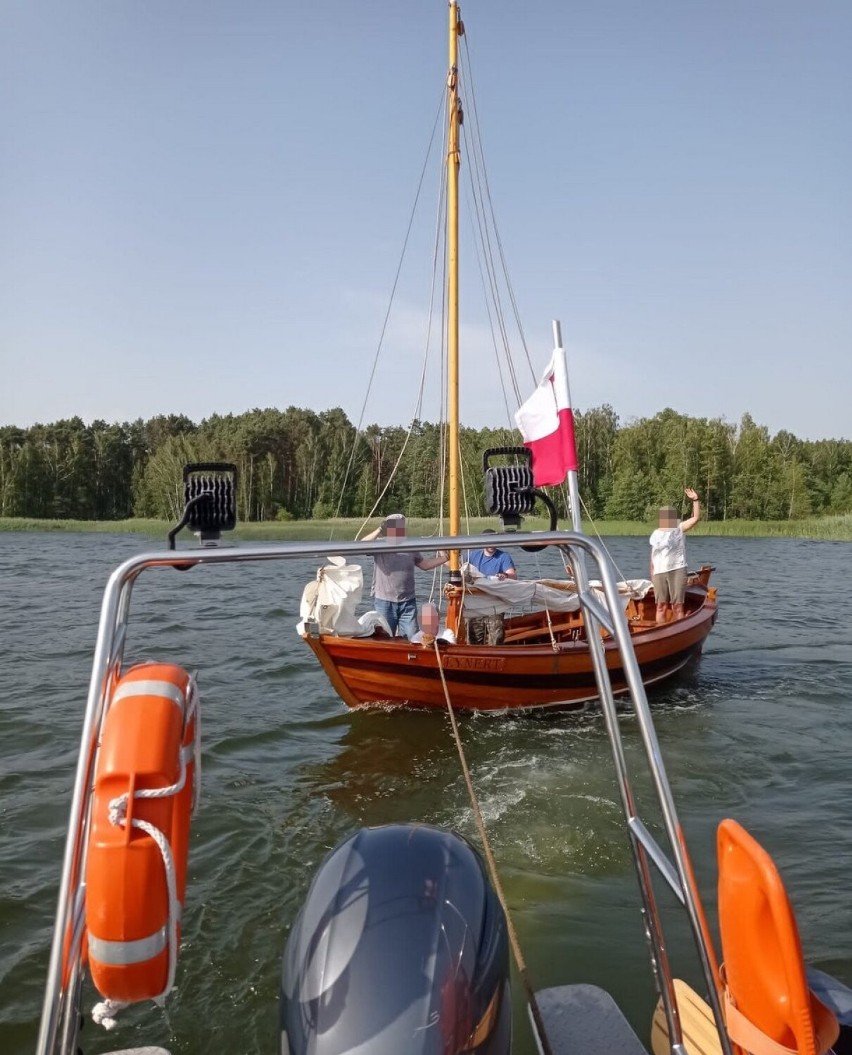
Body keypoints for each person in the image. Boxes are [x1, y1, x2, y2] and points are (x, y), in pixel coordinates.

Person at [362, 514, 449, 639]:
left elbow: (425, 565)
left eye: (401, 525)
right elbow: (361, 545)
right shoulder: (380, 545)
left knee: (412, 637)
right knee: (385, 638)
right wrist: (380, 529)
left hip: (408, 602)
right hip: (384, 601)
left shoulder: (409, 546)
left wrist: (446, 558)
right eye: (394, 525)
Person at [649, 488, 700, 624]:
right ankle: (660, 633)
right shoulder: (656, 534)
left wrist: (695, 500)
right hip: (659, 572)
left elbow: (695, 518)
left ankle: (680, 631)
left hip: (677, 569)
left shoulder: (680, 528)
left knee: (677, 606)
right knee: (661, 606)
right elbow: (653, 554)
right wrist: (652, 572)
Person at [465, 529, 516, 645]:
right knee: (474, 636)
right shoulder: (473, 555)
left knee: (496, 635)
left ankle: (496, 655)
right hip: (476, 603)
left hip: (495, 603)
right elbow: (459, 567)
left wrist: (505, 575)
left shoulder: (503, 556)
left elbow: (513, 576)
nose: (492, 545)